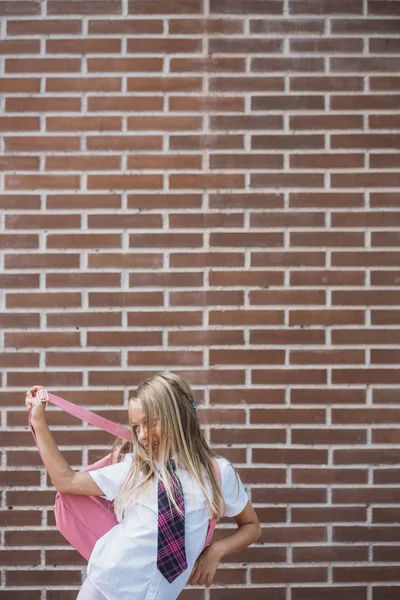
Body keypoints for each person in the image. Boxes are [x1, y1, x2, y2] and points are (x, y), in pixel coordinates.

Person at [25, 371, 261, 600]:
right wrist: (38, 420)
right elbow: (67, 481)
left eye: (150, 422)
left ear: (178, 415)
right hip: (104, 588)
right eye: (136, 427)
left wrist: (216, 551)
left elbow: (251, 526)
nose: (143, 435)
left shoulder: (218, 474)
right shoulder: (134, 470)